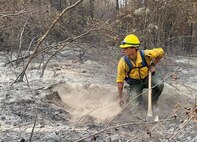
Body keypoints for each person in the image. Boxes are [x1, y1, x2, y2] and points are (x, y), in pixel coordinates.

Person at [116, 34, 164, 107]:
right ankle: (131, 92)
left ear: (133, 48)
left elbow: (161, 52)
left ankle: (153, 103)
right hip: (135, 83)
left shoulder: (146, 54)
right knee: (134, 106)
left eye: (125, 48)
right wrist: (120, 97)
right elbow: (120, 80)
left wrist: (153, 64)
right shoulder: (123, 62)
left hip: (147, 78)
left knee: (159, 84)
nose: (123, 50)